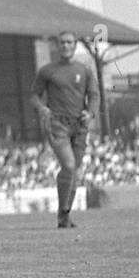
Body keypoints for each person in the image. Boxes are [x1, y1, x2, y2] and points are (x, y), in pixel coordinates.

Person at [31, 31, 99, 228]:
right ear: (56, 46)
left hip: (80, 126)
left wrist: (91, 113)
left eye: (69, 42)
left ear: (75, 45)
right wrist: (42, 108)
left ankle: (64, 216)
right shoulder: (47, 71)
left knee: (73, 171)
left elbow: (94, 95)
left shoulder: (85, 70)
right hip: (57, 125)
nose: (65, 45)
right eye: (61, 42)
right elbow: (34, 95)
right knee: (69, 165)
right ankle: (64, 212)